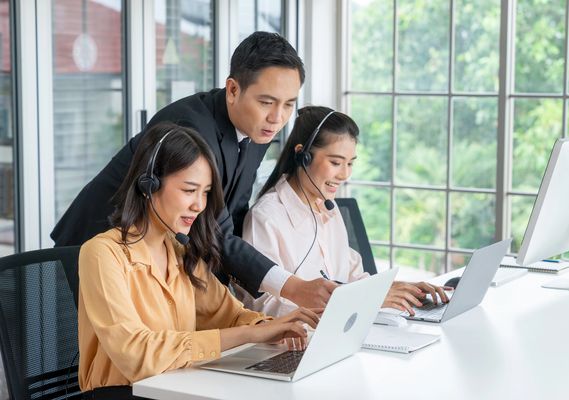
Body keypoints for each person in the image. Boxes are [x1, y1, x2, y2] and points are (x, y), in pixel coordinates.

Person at [51, 31, 337, 309]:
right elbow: (214, 229)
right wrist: (291, 287)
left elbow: (234, 213)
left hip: (153, 255)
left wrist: (245, 299)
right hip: (97, 249)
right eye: (266, 102)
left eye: (288, 105)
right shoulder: (189, 129)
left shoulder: (257, 128)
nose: (278, 118)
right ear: (233, 90)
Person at [78, 123, 319, 399]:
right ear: (149, 184)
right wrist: (251, 336)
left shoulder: (180, 251)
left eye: (205, 192)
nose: (199, 205)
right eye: (189, 190)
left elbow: (230, 315)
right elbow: (136, 354)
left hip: (176, 386)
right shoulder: (102, 254)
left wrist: (271, 328)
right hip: (123, 393)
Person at [238, 106, 450, 317]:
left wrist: (398, 290)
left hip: (343, 329)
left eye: (350, 163)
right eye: (336, 162)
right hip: (295, 340)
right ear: (303, 155)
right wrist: (364, 300)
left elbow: (353, 278)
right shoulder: (265, 217)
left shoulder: (328, 208)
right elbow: (260, 308)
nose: (345, 174)